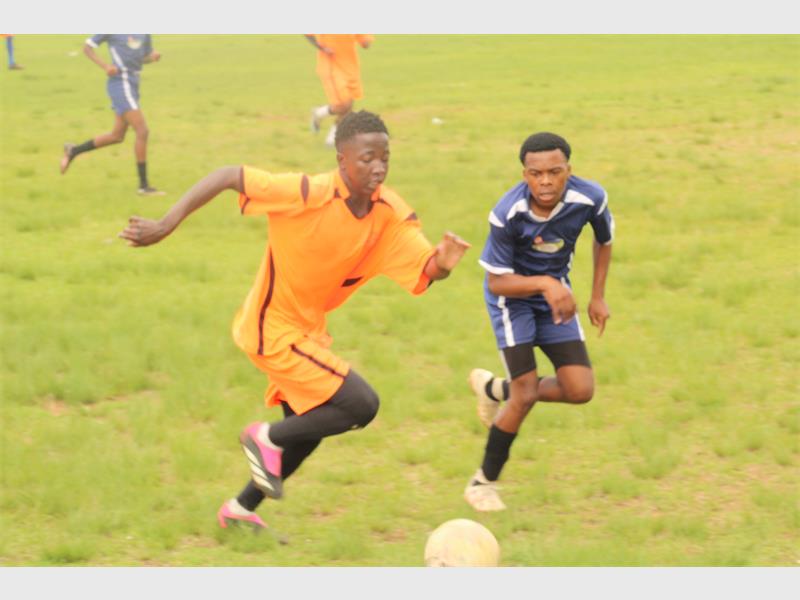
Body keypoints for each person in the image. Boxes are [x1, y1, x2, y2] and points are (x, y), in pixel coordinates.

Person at [118, 110, 471, 531]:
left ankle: (240, 510)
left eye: (385, 157)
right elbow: (231, 174)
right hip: (271, 327)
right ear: (341, 160)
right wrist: (165, 224)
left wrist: (443, 264)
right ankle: (261, 436)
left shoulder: (388, 213)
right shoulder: (306, 193)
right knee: (360, 404)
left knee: (307, 431)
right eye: (366, 158)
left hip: (306, 332)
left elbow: (424, 267)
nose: (378, 167)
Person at [464, 132, 614, 512]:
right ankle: (482, 482)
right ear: (524, 174)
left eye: (554, 172)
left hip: (554, 298)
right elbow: (497, 280)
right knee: (526, 394)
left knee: (580, 389)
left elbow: (604, 240)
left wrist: (597, 295)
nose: (545, 181)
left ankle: (496, 389)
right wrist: (546, 283)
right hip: (511, 300)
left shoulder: (590, 198)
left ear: (569, 171)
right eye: (535, 173)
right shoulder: (507, 212)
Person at [60, 34, 164, 196]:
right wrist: (106, 66)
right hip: (120, 84)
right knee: (142, 131)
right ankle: (143, 186)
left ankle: (73, 151)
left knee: (117, 136)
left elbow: (142, 58)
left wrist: (153, 57)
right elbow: (87, 48)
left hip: (134, 83)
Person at [305, 34, 373, 147]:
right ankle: (321, 117)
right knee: (343, 104)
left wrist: (366, 40)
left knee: (348, 107)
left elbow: (365, 43)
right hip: (331, 65)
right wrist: (321, 47)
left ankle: (331, 137)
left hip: (351, 67)